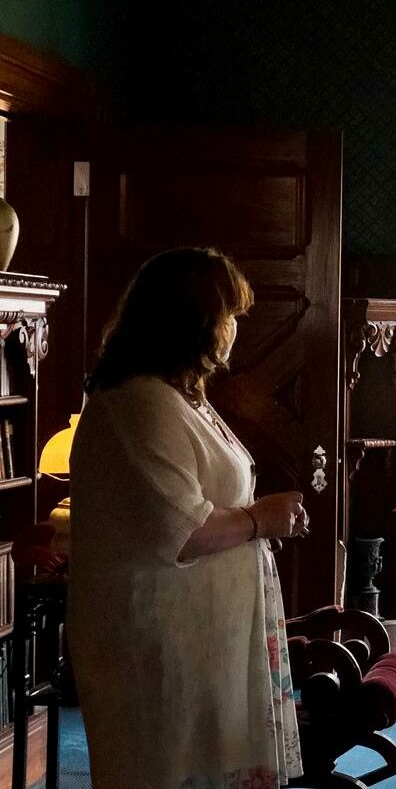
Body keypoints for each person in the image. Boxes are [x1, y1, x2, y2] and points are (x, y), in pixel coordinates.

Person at [67, 248, 308, 789]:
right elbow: (184, 529)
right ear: (192, 321)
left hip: (200, 640)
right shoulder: (139, 402)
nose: (233, 330)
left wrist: (262, 518)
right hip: (156, 645)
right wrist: (260, 519)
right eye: (228, 317)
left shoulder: (180, 395)